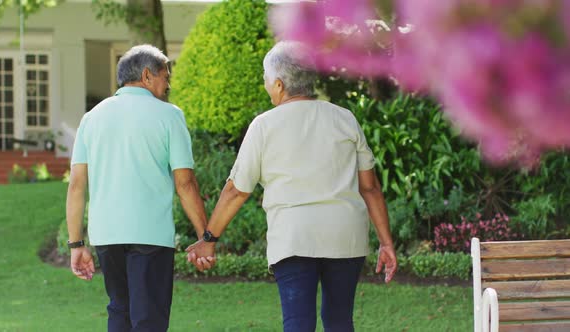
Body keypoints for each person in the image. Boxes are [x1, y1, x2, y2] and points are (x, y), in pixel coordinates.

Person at [186, 41, 397, 332]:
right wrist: (386, 242)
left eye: (265, 78)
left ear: (279, 84)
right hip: (345, 236)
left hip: (294, 238)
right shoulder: (344, 118)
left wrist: (209, 238)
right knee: (339, 322)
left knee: (298, 324)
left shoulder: (264, 125)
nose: (265, 84)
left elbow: (237, 190)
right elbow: (370, 188)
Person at [66, 44, 209, 332]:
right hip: (150, 235)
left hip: (107, 235)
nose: (168, 85)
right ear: (147, 76)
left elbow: (77, 186)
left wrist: (76, 245)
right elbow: (185, 183)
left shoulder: (91, 118)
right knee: (149, 318)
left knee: (120, 309)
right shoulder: (170, 115)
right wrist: (204, 235)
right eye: (165, 77)